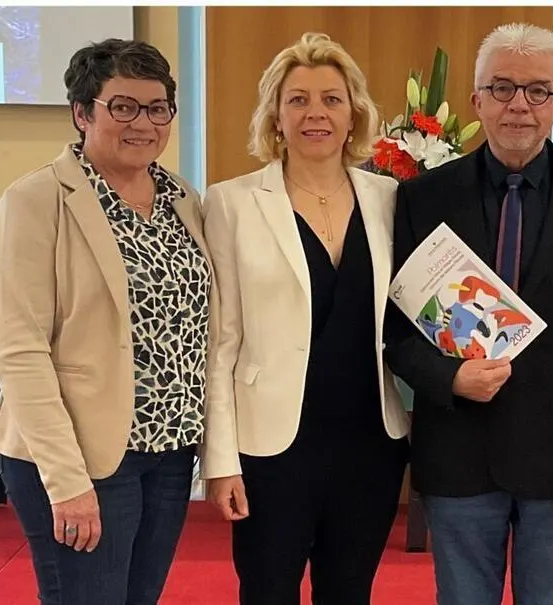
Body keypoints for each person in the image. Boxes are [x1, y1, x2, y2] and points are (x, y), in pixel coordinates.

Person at [385, 23, 553, 605]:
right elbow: (395, 331)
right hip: (458, 458)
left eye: (538, 91)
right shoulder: (422, 198)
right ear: (477, 101)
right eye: (502, 88)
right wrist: (449, 377)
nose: (519, 105)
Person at [0, 39, 214, 604]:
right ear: (82, 112)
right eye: (123, 107)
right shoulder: (37, 199)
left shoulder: (182, 199)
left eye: (157, 108)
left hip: (169, 451)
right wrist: (66, 482)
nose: (144, 123)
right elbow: (19, 349)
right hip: (82, 457)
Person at [199, 32, 411, 605]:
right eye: (298, 100)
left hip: (370, 443)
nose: (315, 113)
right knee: (267, 591)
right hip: (271, 447)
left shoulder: (389, 199)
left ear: (354, 114)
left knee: (350, 591)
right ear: (276, 115)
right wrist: (219, 460)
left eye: (331, 99)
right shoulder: (232, 203)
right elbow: (221, 343)